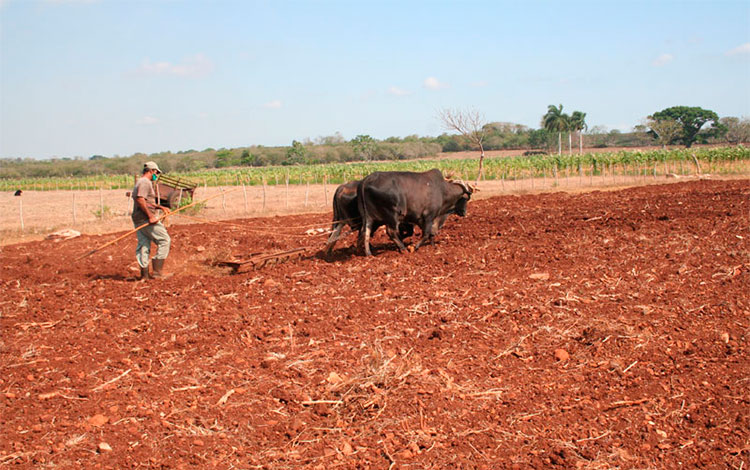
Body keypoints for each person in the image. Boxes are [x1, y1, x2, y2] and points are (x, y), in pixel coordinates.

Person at [132, 161, 171, 280]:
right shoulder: (145, 182)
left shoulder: (140, 182)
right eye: (156, 173)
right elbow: (140, 200)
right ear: (151, 171)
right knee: (165, 240)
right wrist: (150, 216)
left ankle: (144, 275)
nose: (156, 175)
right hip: (145, 219)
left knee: (144, 245)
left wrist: (159, 207)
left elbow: (146, 201)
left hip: (138, 218)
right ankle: (157, 273)